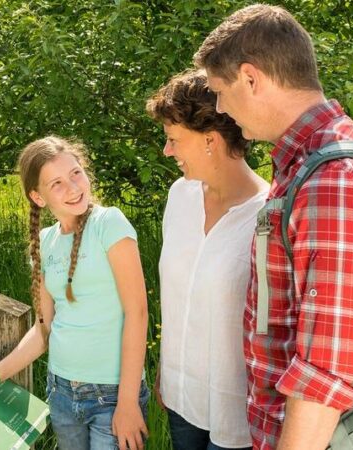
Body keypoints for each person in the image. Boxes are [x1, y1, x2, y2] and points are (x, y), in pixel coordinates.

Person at [193, 5, 353, 449]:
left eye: (219, 91)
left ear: (251, 79)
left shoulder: (334, 181)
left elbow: (324, 373)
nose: (219, 107)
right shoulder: (313, 160)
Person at [0, 136, 150, 450]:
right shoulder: (45, 242)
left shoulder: (109, 224)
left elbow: (137, 313)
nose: (72, 187)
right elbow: (44, 329)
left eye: (75, 173)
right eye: (56, 183)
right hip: (62, 393)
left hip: (112, 395)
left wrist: (127, 402)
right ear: (38, 197)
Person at [146, 68, 268, 450]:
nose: (167, 151)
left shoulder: (267, 215)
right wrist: (166, 369)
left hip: (236, 414)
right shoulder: (179, 197)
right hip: (181, 397)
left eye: (173, 140)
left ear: (211, 141)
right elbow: (177, 296)